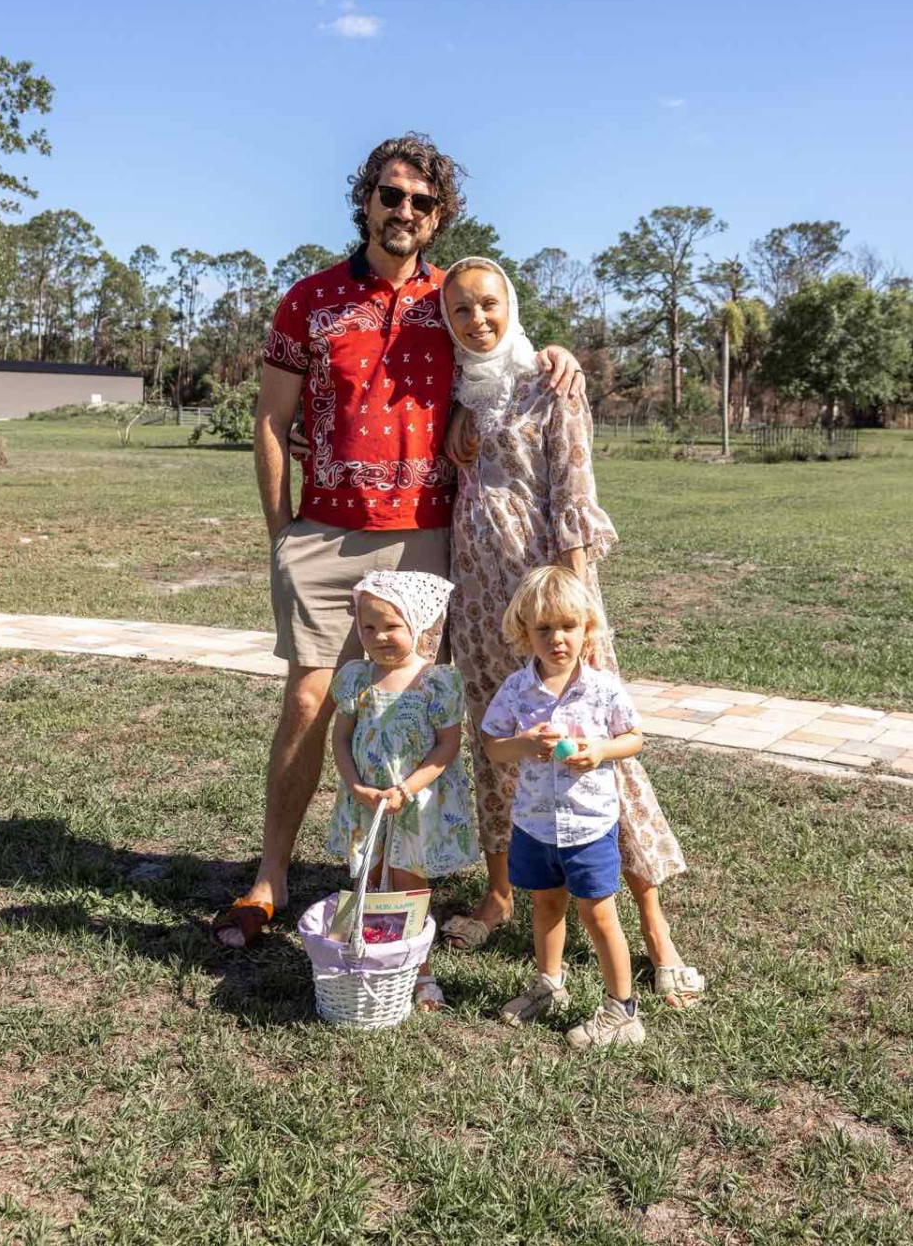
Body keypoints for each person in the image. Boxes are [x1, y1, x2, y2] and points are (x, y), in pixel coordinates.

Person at [214, 135, 582, 947]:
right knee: (310, 700)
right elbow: (271, 421)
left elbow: (505, 353)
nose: (403, 210)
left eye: (421, 201)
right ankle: (270, 876)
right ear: (366, 201)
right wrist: (282, 532)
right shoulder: (309, 300)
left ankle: (410, 877)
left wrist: (555, 354)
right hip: (325, 533)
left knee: (420, 708)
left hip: (428, 537)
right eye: (390, 194)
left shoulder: (450, 300)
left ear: (438, 216)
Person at [440, 256, 704, 1008]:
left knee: (597, 749)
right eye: (460, 310)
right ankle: (501, 895)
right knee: (500, 745)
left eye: (488, 304)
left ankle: (655, 928)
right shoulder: (456, 390)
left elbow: (574, 496)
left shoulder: (550, 381)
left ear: (511, 305)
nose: (477, 320)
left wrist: (582, 610)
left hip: (549, 599)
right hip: (480, 606)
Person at [483, 566, 646, 1048]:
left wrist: (601, 750)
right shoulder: (516, 689)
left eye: (568, 626)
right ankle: (549, 986)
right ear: (524, 633)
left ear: (586, 628)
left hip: (588, 825)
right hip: (534, 824)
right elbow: (493, 745)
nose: (557, 638)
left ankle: (622, 1011)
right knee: (545, 904)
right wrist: (524, 743)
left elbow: (633, 737)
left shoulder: (602, 688)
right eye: (544, 629)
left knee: (598, 913)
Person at [327, 570, 478, 1010]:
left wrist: (407, 789)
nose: (379, 636)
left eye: (392, 626)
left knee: (408, 886)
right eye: (368, 627)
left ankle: (419, 970)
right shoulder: (357, 678)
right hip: (366, 802)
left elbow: (448, 745)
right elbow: (341, 738)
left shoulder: (435, 681)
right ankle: (365, 959)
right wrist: (356, 786)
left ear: (418, 624)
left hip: (413, 804)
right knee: (366, 878)